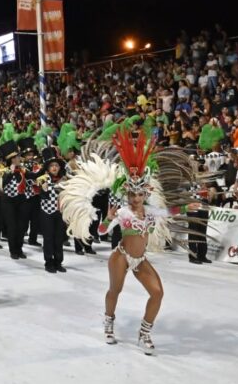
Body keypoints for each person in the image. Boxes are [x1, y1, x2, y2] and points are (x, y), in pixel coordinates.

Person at [62, 129, 203, 355]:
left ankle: (145, 332)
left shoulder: (151, 211)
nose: (135, 198)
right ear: (127, 194)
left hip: (139, 260)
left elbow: (170, 210)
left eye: (139, 194)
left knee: (157, 293)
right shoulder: (123, 213)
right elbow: (101, 230)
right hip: (121, 257)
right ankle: (109, 323)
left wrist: (188, 207)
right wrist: (107, 218)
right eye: (131, 194)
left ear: (146, 194)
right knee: (114, 290)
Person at [37, 149, 69, 273]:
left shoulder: (64, 179)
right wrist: (43, 190)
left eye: (56, 165)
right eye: (52, 166)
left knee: (59, 238)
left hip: (60, 212)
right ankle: (49, 262)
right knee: (48, 238)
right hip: (47, 212)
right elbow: (42, 196)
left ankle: (58, 262)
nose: (54, 168)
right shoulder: (43, 179)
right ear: (48, 168)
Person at [0, 140, 28, 260]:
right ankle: (13, 250)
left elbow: (32, 178)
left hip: (21, 199)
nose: (19, 158)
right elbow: (1, 184)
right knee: (12, 226)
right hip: (8, 201)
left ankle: (19, 249)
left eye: (19, 156)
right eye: (16, 157)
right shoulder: (2, 170)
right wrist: (10, 171)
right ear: (11, 159)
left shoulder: (22, 169)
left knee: (21, 226)